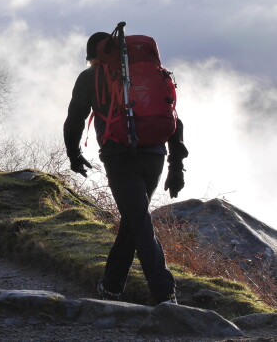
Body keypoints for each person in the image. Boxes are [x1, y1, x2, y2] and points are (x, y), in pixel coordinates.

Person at [63, 31, 189, 305]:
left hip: (118, 154)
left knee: (139, 221)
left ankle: (165, 295)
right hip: (154, 153)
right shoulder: (156, 74)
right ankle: (111, 287)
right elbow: (174, 120)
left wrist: (73, 155)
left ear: (95, 56)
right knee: (133, 220)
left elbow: (74, 119)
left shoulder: (91, 77)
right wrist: (176, 165)